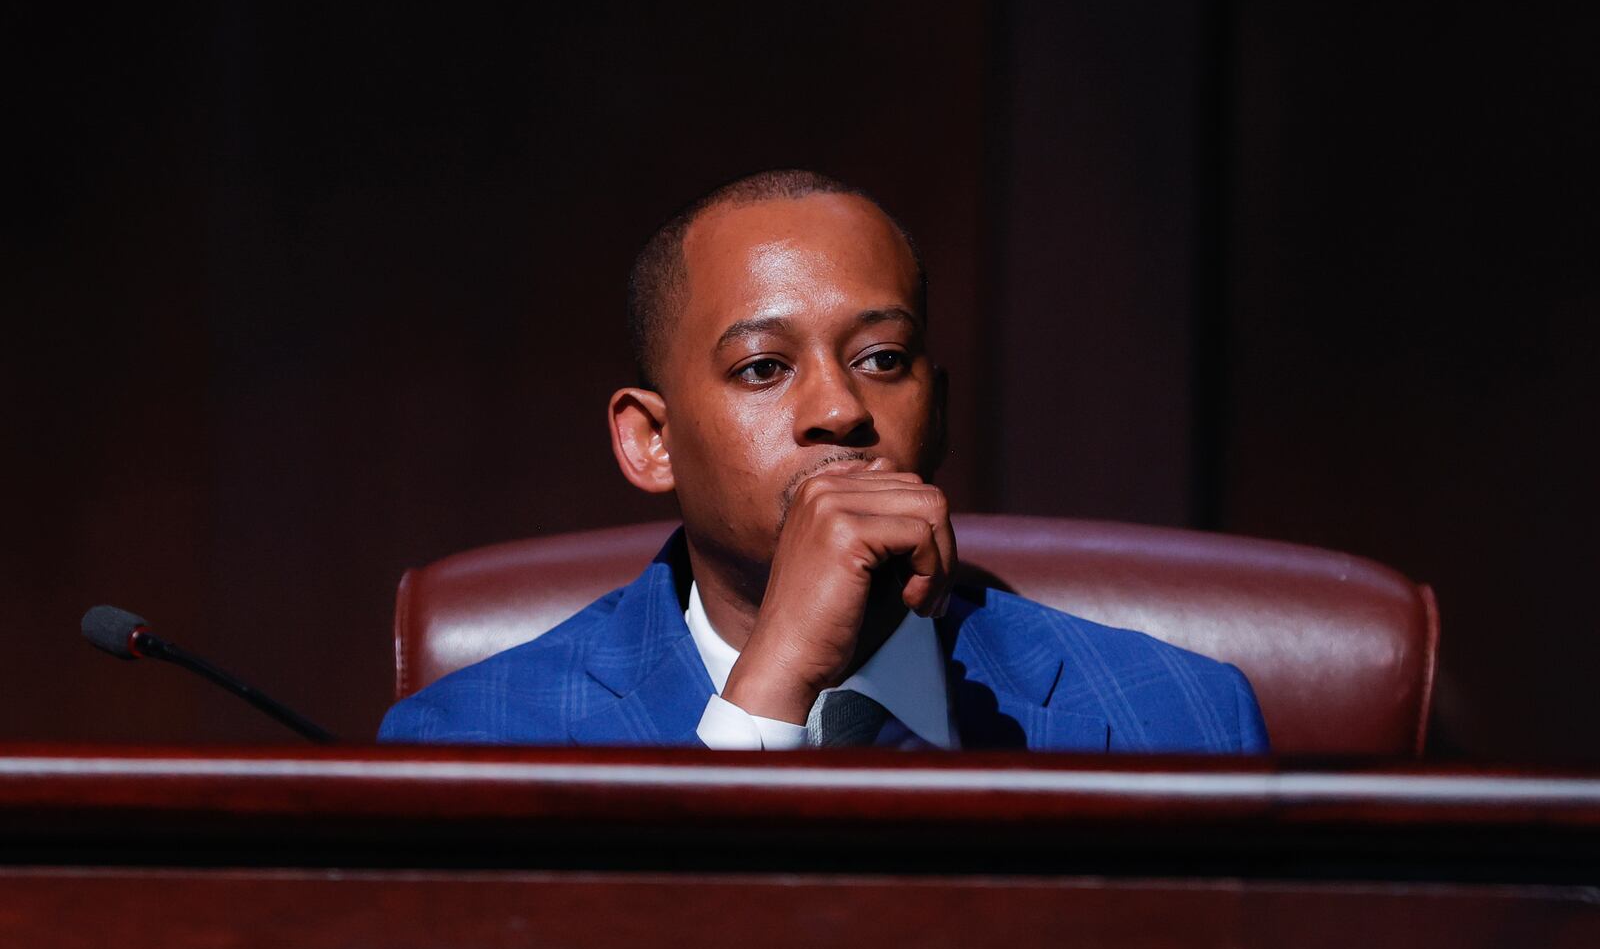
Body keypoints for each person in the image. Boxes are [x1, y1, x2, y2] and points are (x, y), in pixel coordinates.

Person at [380, 170, 1268, 752]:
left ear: (943, 411)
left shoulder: (1184, 721)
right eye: (763, 368)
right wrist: (766, 695)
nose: (842, 409)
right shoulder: (467, 740)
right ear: (650, 441)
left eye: (882, 359)